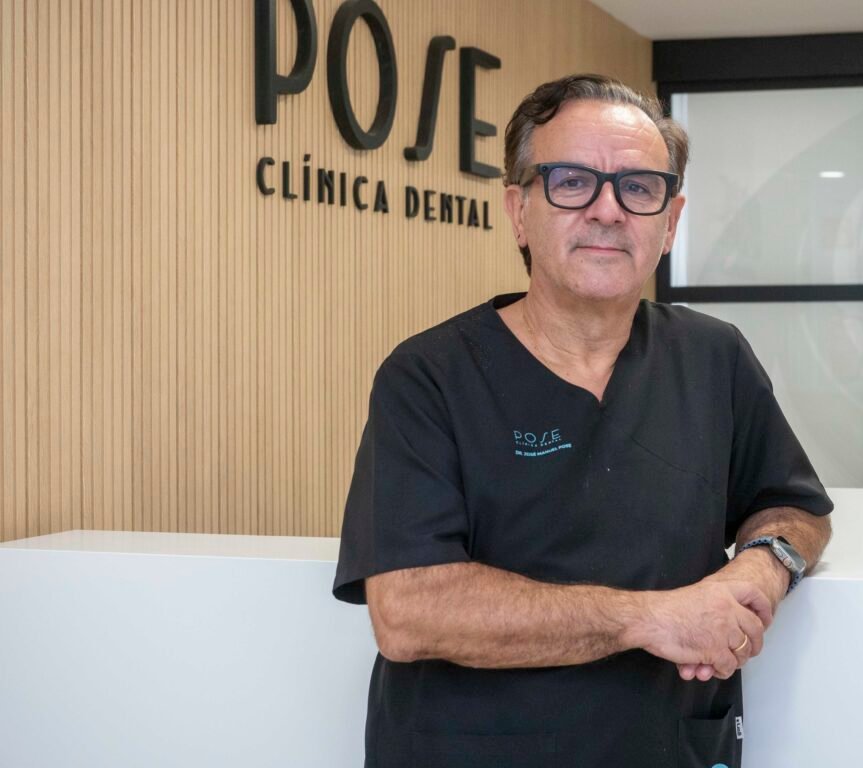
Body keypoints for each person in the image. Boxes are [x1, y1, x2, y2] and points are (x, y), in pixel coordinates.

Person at [333, 73, 833, 768]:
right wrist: (652, 619)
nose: (608, 210)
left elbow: (794, 507)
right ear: (518, 211)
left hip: (672, 746)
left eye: (639, 187)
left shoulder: (713, 356)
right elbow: (408, 610)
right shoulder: (428, 377)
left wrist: (760, 570)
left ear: (670, 223)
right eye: (572, 182)